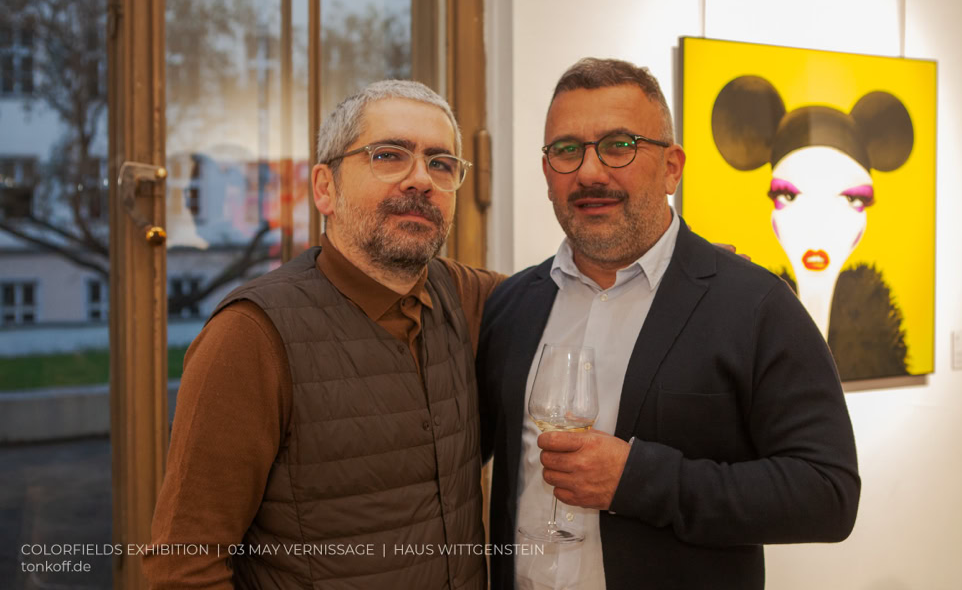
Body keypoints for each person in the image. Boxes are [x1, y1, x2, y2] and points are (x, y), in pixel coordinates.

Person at [477, 58, 861, 590]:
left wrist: (638, 480)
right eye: (566, 150)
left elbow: (828, 495)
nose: (589, 173)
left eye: (619, 145)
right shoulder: (512, 305)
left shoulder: (755, 306)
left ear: (672, 168)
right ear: (547, 173)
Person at [144, 80, 504, 589]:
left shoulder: (471, 299)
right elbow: (183, 567)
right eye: (388, 155)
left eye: (441, 163)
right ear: (324, 188)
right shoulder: (250, 337)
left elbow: (576, 288)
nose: (421, 179)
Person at [711, 75, 914, 380]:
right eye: (789, 196)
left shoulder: (878, 328)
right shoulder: (751, 313)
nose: (817, 229)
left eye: (851, 198)